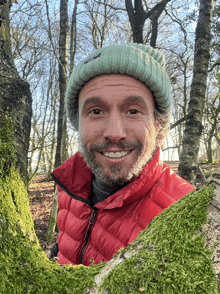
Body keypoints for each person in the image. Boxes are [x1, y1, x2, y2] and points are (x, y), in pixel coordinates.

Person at [51, 43, 195, 266]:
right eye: (96, 111)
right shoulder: (69, 186)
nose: (114, 133)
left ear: (158, 124)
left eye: (133, 111)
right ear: (78, 123)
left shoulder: (188, 215)